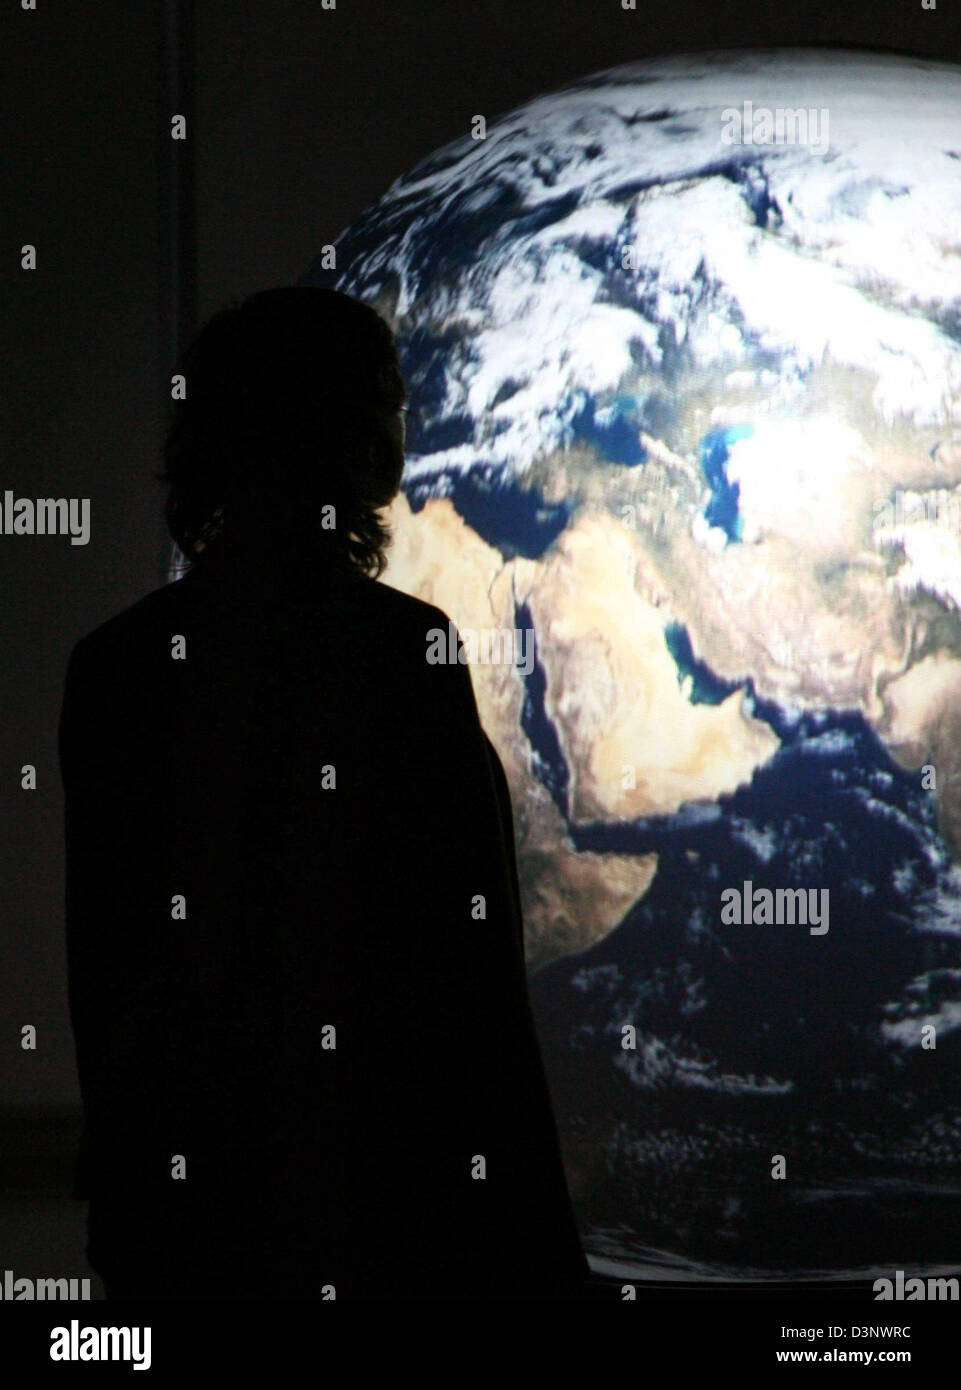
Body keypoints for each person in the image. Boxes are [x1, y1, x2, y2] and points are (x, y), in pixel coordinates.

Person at [58, 285, 590, 1300]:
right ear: (344, 438)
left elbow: (108, 976)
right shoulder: (400, 654)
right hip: (379, 1213)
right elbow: (469, 986)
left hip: (185, 1229)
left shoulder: (116, 667)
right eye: (384, 397)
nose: (401, 422)